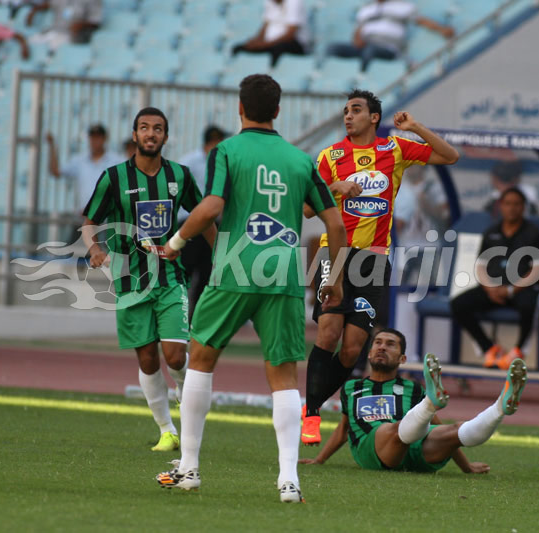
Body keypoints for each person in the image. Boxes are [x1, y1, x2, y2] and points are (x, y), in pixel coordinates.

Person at [154, 74, 346, 503]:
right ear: (277, 110)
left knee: (202, 359)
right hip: (283, 274)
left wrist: (176, 242)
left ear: (240, 108)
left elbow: (212, 207)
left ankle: (189, 468)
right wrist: (332, 279)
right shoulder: (301, 160)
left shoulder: (226, 151)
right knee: (283, 375)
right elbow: (334, 223)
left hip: (236, 267)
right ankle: (289, 480)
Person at [302, 89, 459, 446]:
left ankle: (312, 402)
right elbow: (309, 209)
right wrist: (335, 187)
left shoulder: (394, 149)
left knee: (352, 349)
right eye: (345, 110)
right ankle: (311, 414)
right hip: (335, 254)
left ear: (374, 118)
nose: (348, 116)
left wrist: (415, 127)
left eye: (356, 110)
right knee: (328, 333)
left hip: (374, 259)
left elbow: (451, 156)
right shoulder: (330, 155)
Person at [82, 107, 212, 452]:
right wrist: (94, 248)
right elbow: (89, 221)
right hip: (129, 280)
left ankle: (186, 400)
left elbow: (203, 215)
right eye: (144, 127)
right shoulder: (113, 178)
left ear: (165, 136)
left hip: (170, 277)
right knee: (148, 360)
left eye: (157, 128)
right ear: (134, 135)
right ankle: (167, 430)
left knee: (175, 356)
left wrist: (222, 256)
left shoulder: (180, 175)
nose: (150, 133)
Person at [299, 328, 527, 473]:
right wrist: (320, 459)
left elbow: (439, 429)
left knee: (454, 430)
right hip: (372, 450)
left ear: (402, 358)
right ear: (368, 354)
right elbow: (343, 430)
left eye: (390, 344)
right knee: (394, 430)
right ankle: (430, 404)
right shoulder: (351, 388)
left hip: (413, 451)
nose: (382, 347)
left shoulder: (411, 388)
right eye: (377, 342)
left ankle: (500, 407)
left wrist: (466, 467)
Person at [450, 187, 539, 369]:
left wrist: (511, 290)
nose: (512, 208)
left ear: (523, 207)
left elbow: (538, 270)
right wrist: (490, 289)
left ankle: (517, 352)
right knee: (459, 304)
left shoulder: (534, 234)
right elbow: (481, 266)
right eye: (507, 203)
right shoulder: (491, 233)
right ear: (500, 206)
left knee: (529, 305)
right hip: (494, 289)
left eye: (516, 204)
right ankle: (489, 349)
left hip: (521, 289)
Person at [178, 126, 228, 322]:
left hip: (213, 225)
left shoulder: (224, 163)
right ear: (212, 143)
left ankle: (196, 320)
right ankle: (178, 318)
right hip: (190, 224)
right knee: (185, 273)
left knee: (208, 275)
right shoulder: (189, 162)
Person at [326, 0, 454, 71]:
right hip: (365, 46)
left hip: (387, 48)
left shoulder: (402, 6)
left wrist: (441, 29)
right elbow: (358, 33)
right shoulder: (366, 10)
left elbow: (421, 20)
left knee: (370, 51)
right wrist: (358, 40)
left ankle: (362, 78)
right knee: (332, 48)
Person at [47, 124, 123, 216]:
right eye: (93, 137)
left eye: (98, 137)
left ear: (105, 139)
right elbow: (56, 171)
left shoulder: (116, 161)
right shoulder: (80, 160)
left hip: (107, 217)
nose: (95, 141)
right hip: (84, 216)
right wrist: (52, 145)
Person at [231, 0, 310, 67]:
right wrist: (256, 41)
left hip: (295, 43)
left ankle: (271, 75)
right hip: (270, 43)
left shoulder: (294, 2)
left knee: (277, 49)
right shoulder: (270, 2)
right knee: (239, 48)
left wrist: (264, 44)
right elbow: (265, 25)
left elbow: (290, 34)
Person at [27, 0, 103, 50]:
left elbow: (96, 22)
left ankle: (50, 64)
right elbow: (49, 4)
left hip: (74, 34)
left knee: (54, 45)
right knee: (31, 42)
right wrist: (34, 11)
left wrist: (80, 25)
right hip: (55, 31)